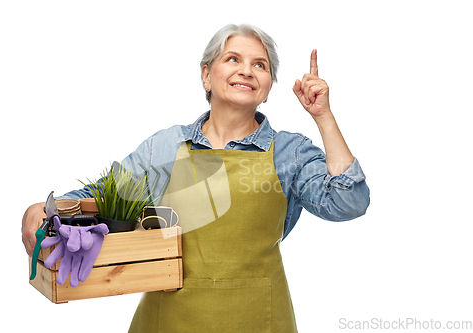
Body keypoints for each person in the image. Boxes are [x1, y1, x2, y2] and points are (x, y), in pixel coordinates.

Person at [22, 24, 370, 332]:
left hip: (260, 320)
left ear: (267, 87)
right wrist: (38, 210)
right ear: (206, 75)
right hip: (169, 321)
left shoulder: (288, 151)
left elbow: (348, 202)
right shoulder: (166, 146)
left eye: (259, 65)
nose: (246, 70)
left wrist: (323, 117)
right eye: (233, 59)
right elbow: (101, 195)